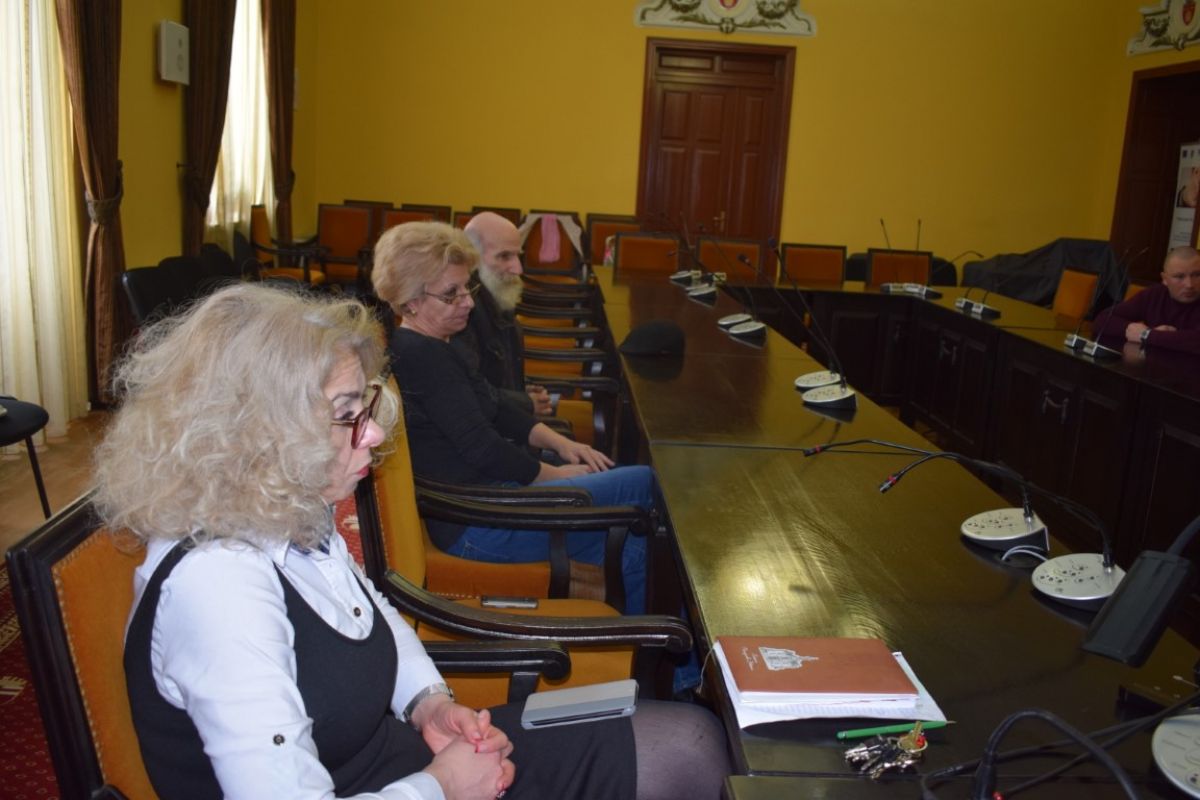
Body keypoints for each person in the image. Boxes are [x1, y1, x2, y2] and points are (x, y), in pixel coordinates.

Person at [95, 283, 728, 799]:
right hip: (406, 787)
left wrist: (429, 705)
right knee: (688, 755)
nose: (373, 436)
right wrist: (443, 786)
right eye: (347, 415)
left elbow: (374, 613)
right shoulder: (218, 585)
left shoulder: (282, 511)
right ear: (256, 430)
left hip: (403, 760)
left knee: (692, 740)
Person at [372, 221, 655, 616]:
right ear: (411, 302)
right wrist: (554, 477)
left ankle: (657, 649)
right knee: (645, 482)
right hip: (480, 522)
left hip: (487, 504)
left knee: (636, 544)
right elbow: (482, 447)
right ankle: (666, 648)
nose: (468, 303)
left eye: (467, 288)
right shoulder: (423, 357)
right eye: (451, 294)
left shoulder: (435, 344)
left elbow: (496, 407)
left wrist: (561, 444)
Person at [454, 211, 552, 416]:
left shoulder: (495, 295)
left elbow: (493, 375)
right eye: (504, 256)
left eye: (518, 256)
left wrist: (521, 390)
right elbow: (467, 394)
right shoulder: (461, 310)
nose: (518, 268)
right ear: (471, 258)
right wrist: (524, 402)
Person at [1092, 246, 1200, 355]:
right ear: (1165, 279)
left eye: (1197, 275)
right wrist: (1143, 332)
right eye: (1179, 277)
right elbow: (1102, 320)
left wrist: (1147, 335)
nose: (1189, 285)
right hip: (1153, 362)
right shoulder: (1154, 295)